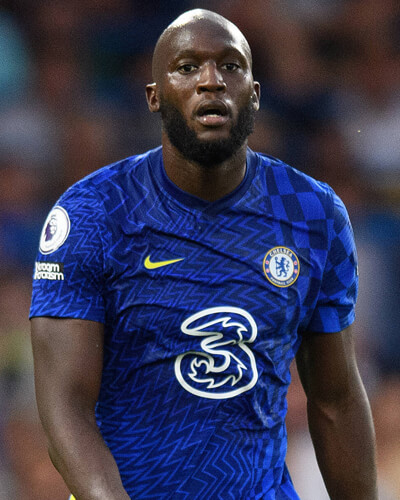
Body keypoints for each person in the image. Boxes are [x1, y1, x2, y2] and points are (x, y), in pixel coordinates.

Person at [30, 9, 378, 500]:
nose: (211, 81)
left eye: (230, 66)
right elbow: (65, 407)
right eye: (187, 67)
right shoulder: (93, 213)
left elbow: (336, 401)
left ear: (254, 94)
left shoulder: (313, 213)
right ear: (154, 96)